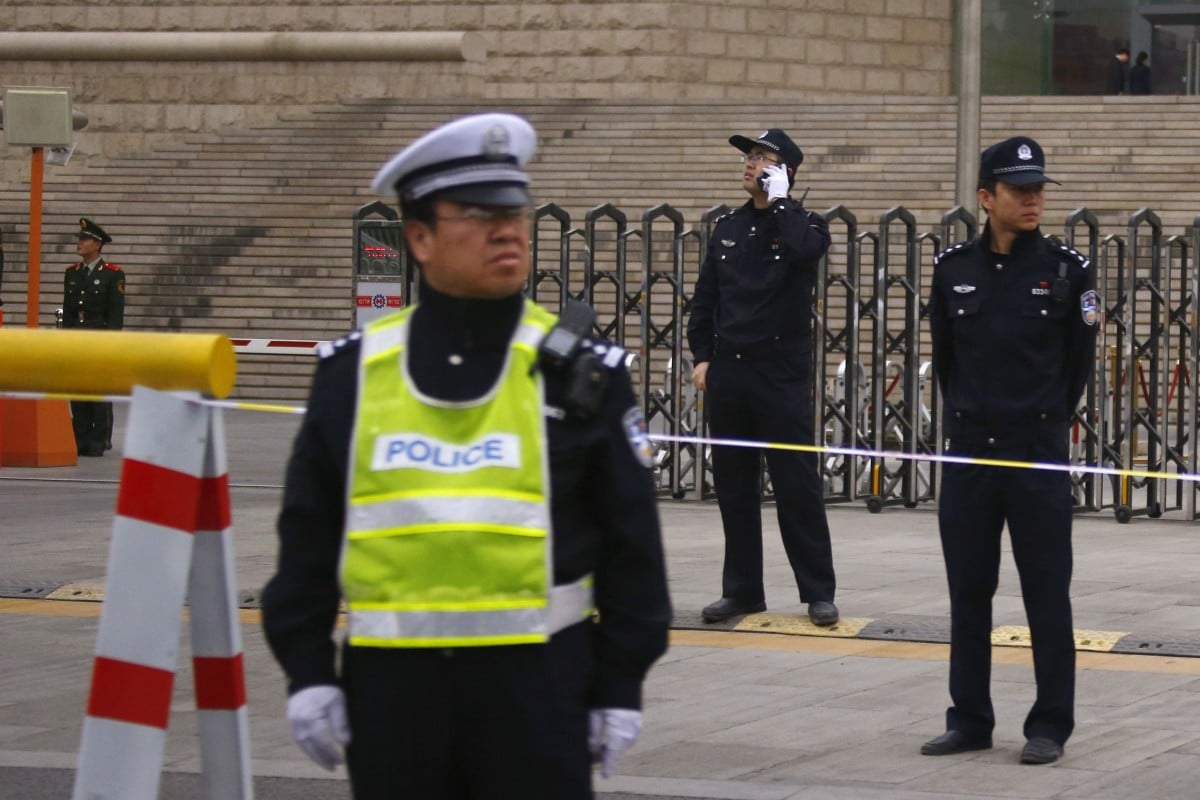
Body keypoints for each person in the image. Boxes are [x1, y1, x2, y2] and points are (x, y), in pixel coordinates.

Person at [260, 112, 671, 800]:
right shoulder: (354, 373)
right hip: (394, 701)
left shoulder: (581, 372)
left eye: (514, 210)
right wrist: (306, 672)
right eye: (478, 213)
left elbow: (633, 545)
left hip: (538, 694)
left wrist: (621, 682)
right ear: (418, 237)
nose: (507, 228)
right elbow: (307, 540)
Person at [922, 137, 1097, 765]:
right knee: (968, 592)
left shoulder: (1068, 268)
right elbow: (947, 360)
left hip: (1036, 454)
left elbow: (1077, 364)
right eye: (1019, 189)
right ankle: (968, 718)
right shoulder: (952, 269)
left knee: (1047, 593)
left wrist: (1043, 424)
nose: (1033, 198)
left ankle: (1049, 723)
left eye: (1039, 188)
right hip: (970, 453)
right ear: (985, 197)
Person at [686, 128, 839, 628]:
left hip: (781, 373)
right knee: (734, 486)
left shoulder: (805, 224)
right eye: (748, 157)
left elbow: (803, 253)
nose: (749, 164)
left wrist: (781, 202)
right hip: (731, 369)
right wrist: (702, 354)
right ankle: (742, 590)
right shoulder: (727, 226)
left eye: (760, 157)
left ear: (784, 171)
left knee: (796, 484)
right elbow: (707, 295)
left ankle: (818, 591)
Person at [62, 217, 124, 456]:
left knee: (98, 389)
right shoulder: (72, 273)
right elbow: (68, 309)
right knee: (77, 388)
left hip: (99, 336)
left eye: (84, 239)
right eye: (79, 239)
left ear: (97, 245)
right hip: (76, 337)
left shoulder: (112, 275)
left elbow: (115, 314)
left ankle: (99, 438)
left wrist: (111, 343)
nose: (80, 243)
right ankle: (81, 436)